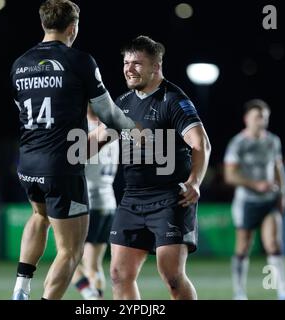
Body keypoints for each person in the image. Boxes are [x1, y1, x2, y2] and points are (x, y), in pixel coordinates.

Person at [10, 0, 137, 300]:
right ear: (73, 28)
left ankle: (20, 287)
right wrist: (134, 128)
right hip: (62, 167)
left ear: (44, 24)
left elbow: (25, 115)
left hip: (28, 163)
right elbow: (109, 114)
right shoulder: (80, 61)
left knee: (39, 217)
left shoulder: (19, 64)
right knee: (71, 251)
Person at [107, 36, 211, 300]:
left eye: (137, 63)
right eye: (126, 62)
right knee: (119, 274)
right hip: (132, 198)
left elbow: (201, 144)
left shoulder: (173, 100)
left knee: (172, 276)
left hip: (170, 198)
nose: (129, 69)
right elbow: (96, 139)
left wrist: (195, 181)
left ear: (156, 66)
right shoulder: (123, 102)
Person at [224, 99, 285, 300]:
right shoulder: (238, 143)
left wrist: (283, 194)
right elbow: (230, 175)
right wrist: (256, 185)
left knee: (274, 244)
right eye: (257, 117)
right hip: (247, 202)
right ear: (247, 119)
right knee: (243, 246)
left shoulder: (273, 141)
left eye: (265, 117)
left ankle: (283, 290)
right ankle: (239, 293)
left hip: (269, 200)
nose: (262, 121)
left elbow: (278, 168)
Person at [71, 107, 119, 300]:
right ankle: (97, 299)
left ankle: (90, 296)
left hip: (88, 200)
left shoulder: (83, 130)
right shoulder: (113, 130)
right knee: (94, 265)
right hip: (109, 201)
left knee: (67, 257)